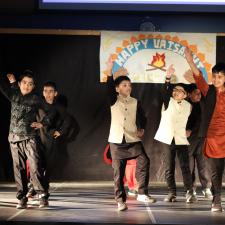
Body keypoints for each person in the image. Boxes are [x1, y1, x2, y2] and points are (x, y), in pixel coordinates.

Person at [106, 57, 156, 211]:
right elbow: (107, 86)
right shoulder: (113, 101)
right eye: (124, 85)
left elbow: (142, 117)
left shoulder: (135, 101)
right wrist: (109, 69)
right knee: (118, 173)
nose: (128, 87)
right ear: (117, 88)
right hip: (116, 140)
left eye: (129, 85)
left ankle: (141, 192)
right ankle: (120, 200)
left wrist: (142, 128)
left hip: (132, 138)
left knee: (144, 160)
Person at [0, 70, 53, 209]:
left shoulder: (35, 99)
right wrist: (12, 84)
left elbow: (50, 111)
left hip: (30, 138)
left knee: (35, 166)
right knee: (19, 169)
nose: (27, 86)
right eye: (24, 83)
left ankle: (42, 195)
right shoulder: (13, 94)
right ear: (19, 84)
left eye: (30, 84)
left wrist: (43, 123)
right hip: (14, 138)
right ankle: (22, 197)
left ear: (33, 86)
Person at [185, 47, 225, 212]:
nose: (216, 79)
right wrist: (190, 61)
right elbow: (199, 78)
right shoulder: (209, 92)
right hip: (214, 138)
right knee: (216, 172)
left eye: (220, 77)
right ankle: (216, 201)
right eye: (214, 76)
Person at [154, 64, 196, 203]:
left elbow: (192, 120)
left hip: (181, 139)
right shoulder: (168, 101)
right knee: (169, 167)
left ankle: (189, 192)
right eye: (175, 89)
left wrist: (190, 129)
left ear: (185, 95)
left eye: (180, 90)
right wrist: (167, 77)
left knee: (185, 166)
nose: (176, 92)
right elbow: (164, 91)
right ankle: (171, 192)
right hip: (167, 138)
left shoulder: (189, 106)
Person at [186, 84, 212, 199]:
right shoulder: (185, 105)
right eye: (195, 93)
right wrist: (187, 130)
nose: (198, 95)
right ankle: (190, 189)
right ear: (189, 94)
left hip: (202, 139)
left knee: (203, 165)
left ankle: (206, 188)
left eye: (199, 93)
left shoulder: (203, 104)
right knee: (189, 166)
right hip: (188, 141)